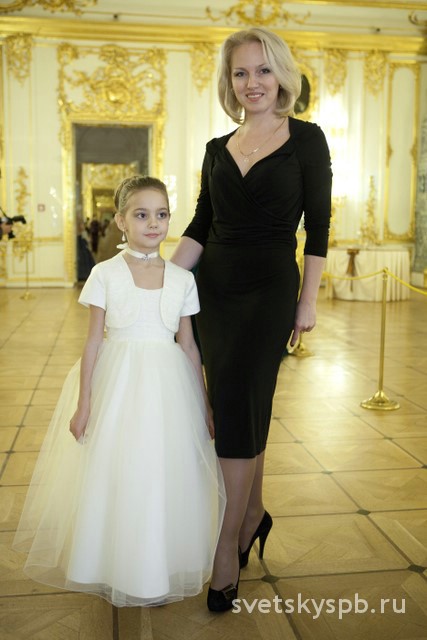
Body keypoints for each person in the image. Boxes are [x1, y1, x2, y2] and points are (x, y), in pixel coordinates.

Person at [171, 27, 332, 612]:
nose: (253, 83)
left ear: (282, 76)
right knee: (241, 407)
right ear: (229, 81)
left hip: (269, 293)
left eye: (263, 70)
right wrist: (159, 281)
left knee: (237, 410)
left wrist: (307, 301)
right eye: (241, 72)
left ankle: (225, 547)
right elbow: (200, 225)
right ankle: (254, 514)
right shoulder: (217, 148)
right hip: (213, 291)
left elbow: (319, 228)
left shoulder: (307, 139)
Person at [13, 175, 226, 607]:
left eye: (162, 214)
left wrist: (203, 404)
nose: (154, 223)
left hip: (168, 391)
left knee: (161, 473)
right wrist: (84, 403)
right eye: (142, 215)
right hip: (119, 386)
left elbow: (188, 345)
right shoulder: (105, 273)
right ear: (121, 221)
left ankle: (156, 564)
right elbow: (93, 341)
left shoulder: (182, 278)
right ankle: (111, 563)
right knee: (117, 472)